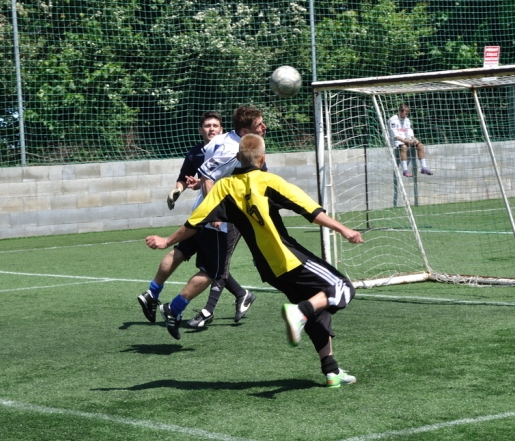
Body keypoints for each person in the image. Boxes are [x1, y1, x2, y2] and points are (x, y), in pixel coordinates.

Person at [146, 134, 363, 388]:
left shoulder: (225, 188)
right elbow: (310, 210)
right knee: (343, 288)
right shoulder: (269, 181)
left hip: (268, 268)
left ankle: (331, 371)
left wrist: (166, 241)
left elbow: (194, 222)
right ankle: (299, 312)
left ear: (238, 157)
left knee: (319, 309)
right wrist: (344, 229)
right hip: (289, 258)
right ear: (262, 159)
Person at [137, 109, 256, 329]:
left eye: (215, 126)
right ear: (201, 129)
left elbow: (214, 177)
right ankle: (196, 309)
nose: (211, 129)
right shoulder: (224, 149)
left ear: (222, 129)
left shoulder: (223, 146)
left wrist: (199, 184)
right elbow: (207, 177)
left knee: (208, 262)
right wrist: (184, 190)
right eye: (207, 126)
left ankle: (155, 294)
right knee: (215, 268)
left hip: (209, 212)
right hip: (217, 215)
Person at [388, 104, 432, 177]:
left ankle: (424, 168)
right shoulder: (393, 120)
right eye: (405, 114)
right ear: (400, 111)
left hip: (407, 140)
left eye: (407, 114)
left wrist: (414, 139)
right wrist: (405, 141)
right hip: (397, 141)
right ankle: (405, 170)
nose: (406, 115)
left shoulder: (407, 120)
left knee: (420, 145)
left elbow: (409, 133)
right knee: (404, 147)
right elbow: (395, 136)